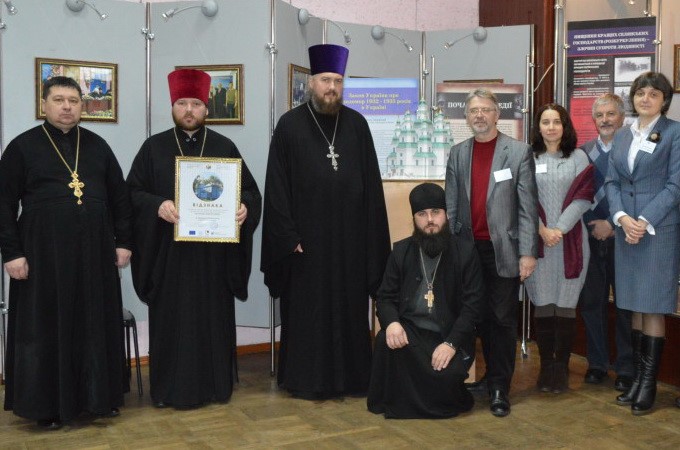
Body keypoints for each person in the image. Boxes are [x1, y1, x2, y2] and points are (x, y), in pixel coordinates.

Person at [0, 76, 132, 429]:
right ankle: (47, 406)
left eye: (74, 100)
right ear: (44, 104)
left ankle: (99, 399)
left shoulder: (98, 146)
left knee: (95, 324)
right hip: (43, 256)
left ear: (82, 105)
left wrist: (124, 242)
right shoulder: (22, 147)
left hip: (95, 255)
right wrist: (11, 253)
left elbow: (120, 198)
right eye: (58, 99)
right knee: (47, 328)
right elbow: (3, 204)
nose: (67, 106)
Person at [261, 44, 391, 399]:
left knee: (350, 311)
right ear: (311, 83)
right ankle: (306, 379)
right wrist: (288, 236)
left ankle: (352, 379)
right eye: (324, 80)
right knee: (308, 314)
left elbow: (372, 189)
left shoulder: (357, 125)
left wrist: (370, 240)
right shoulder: (289, 126)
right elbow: (276, 188)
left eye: (337, 80)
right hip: (307, 244)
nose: (331, 87)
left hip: (349, 242)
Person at [127, 69, 261, 409]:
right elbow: (131, 194)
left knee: (212, 322)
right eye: (183, 103)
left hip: (213, 259)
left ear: (206, 108)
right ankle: (169, 390)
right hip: (168, 258)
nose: (190, 110)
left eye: (197, 103)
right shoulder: (152, 147)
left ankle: (217, 388)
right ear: (173, 106)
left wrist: (245, 207)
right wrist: (158, 205)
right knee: (173, 324)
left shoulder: (224, 146)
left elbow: (250, 191)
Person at [445, 88, 538, 417]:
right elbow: (452, 205)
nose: (479, 115)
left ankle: (500, 386)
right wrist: (452, 249)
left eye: (486, 109)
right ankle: (487, 377)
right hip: (468, 251)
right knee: (477, 316)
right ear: (466, 117)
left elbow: (527, 208)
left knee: (501, 319)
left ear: (498, 115)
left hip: (504, 250)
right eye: (473, 111)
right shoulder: (457, 153)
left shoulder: (518, 152)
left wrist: (528, 253)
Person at [367, 183, 483, 418]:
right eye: (422, 214)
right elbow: (385, 297)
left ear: (446, 215)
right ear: (414, 218)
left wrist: (451, 344)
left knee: (445, 377)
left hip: (448, 334)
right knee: (385, 342)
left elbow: (473, 306)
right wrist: (392, 323)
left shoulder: (465, 252)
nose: (430, 220)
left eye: (435, 212)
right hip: (412, 332)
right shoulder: (401, 251)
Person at [605, 71, 680, 415]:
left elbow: (675, 187)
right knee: (633, 304)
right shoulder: (622, 135)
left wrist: (643, 220)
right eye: (640, 93)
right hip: (626, 230)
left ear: (664, 100)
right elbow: (612, 182)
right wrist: (621, 218)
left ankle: (648, 384)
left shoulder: (675, 133)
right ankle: (636, 379)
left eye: (653, 94)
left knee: (652, 305)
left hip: (656, 231)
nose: (645, 98)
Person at [525, 103, 594, 394]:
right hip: (537, 241)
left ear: (565, 127)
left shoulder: (578, 157)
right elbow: (523, 196)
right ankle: (546, 369)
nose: (551, 127)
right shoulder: (527, 157)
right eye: (545, 121)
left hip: (571, 242)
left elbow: (585, 195)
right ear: (538, 127)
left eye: (557, 122)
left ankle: (562, 368)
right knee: (543, 305)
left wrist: (558, 229)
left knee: (565, 306)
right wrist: (542, 229)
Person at [577, 94, 633, 391]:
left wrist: (612, 224)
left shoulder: (632, 150)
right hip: (590, 238)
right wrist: (593, 225)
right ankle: (597, 363)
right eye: (600, 115)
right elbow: (577, 195)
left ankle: (625, 367)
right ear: (594, 119)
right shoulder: (582, 153)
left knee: (624, 305)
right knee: (591, 303)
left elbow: (638, 192)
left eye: (611, 114)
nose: (606, 120)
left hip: (624, 237)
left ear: (622, 117)